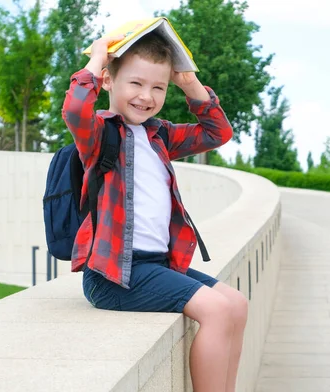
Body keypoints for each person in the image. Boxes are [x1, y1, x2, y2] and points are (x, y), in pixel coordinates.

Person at [62, 32, 247, 392]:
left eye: (158, 88)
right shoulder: (100, 135)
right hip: (116, 275)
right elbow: (74, 109)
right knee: (217, 311)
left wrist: (188, 80)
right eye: (135, 83)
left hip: (155, 266)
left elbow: (218, 133)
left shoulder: (158, 135)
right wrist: (98, 57)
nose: (146, 96)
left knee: (236, 304)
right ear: (109, 81)